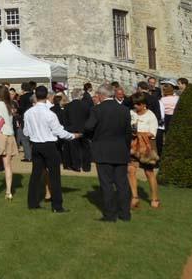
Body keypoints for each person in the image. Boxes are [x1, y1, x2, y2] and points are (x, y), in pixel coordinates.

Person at [23, 85, 78, 213]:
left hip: (36, 145)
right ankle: (57, 206)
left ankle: (32, 203)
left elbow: (26, 132)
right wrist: (72, 136)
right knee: (54, 176)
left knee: (35, 175)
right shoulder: (50, 114)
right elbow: (59, 132)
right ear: (47, 96)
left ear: (36, 96)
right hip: (49, 145)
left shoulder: (28, 113)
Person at [85, 83, 134, 222]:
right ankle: (125, 214)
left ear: (101, 95)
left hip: (103, 150)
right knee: (122, 183)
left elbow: (88, 127)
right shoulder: (124, 110)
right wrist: (126, 147)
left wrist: (92, 136)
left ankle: (110, 215)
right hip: (120, 149)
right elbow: (127, 133)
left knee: (106, 184)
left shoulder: (97, 110)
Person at [128, 92, 160, 209]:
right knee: (131, 170)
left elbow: (152, 134)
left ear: (144, 104)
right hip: (133, 145)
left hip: (147, 146)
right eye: (134, 104)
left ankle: (155, 198)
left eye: (138, 104)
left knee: (149, 172)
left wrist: (139, 133)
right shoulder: (131, 113)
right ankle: (135, 197)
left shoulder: (151, 116)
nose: (135, 106)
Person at [63, 89, 92, 172]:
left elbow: (65, 120)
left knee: (74, 149)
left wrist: (67, 128)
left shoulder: (67, 106)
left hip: (72, 130)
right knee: (86, 149)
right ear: (80, 96)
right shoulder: (86, 105)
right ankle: (86, 167)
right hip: (84, 130)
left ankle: (76, 166)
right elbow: (89, 118)